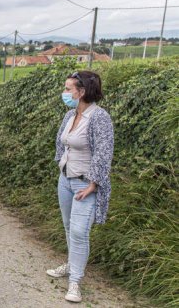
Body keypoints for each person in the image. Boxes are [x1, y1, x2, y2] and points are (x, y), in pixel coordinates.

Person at [46, 71, 114, 303]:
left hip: (85, 184)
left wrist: (93, 184)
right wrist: (60, 166)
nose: (64, 93)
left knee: (79, 231)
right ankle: (70, 264)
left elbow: (104, 153)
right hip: (66, 180)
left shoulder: (99, 117)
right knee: (68, 226)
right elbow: (60, 143)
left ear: (82, 91)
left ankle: (75, 281)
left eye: (68, 89)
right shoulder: (70, 115)